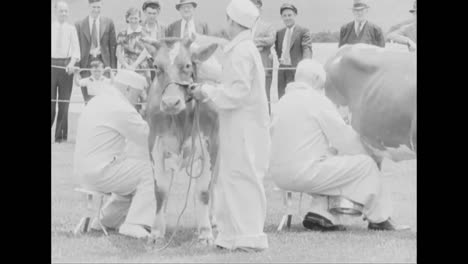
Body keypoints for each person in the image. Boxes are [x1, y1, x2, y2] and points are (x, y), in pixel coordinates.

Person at [269, 59, 410, 232]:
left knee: (334, 166)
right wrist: (369, 152)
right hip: (304, 172)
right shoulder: (316, 100)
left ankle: (321, 214)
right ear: (315, 79)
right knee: (366, 166)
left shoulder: (282, 102)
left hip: (278, 174)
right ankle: (380, 219)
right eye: (322, 84)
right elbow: (344, 139)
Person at [190, 0, 270, 251]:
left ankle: (249, 237)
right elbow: (230, 81)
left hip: (243, 126)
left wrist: (206, 91)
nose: (226, 25)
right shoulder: (242, 49)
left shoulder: (242, 51)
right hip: (239, 125)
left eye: (228, 20)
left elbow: (237, 92)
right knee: (231, 179)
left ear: (235, 22)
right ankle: (231, 235)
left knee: (242, 178)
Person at [74, 70, 156, 239]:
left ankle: (104, 221)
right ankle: (135, 224)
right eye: (138, 95)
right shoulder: (122, 106)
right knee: (148, 171)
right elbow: (147, 137)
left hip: (82, 172)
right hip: (99, 173)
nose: (138, 101)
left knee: (129, 176)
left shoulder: (98, 100)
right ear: (127, 89)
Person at [51, 1, 81, 143]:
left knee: (64, 103)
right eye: (61, 11)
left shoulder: (71, 29)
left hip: (66, 67)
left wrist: (71, 64)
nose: (63, 13)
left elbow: (76, 51)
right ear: (55, 11)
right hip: (52, 65)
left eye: (66, 11)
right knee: (51, 104)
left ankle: (60, 137)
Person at [274, 3, 312, 99]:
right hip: (282, 70)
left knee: (297, 98)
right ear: (281, 17)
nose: (287, 18)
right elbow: (277, 50)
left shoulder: (303, 31)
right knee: (282, 98)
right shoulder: (279, 33)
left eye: (290, 15)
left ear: (295, 15)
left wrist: (305, 66)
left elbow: (306, 48)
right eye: (284, 16)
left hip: (296, 70)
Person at [75, 0, 117, 81]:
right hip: (86, 63)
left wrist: (113, 68)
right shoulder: (79, 25)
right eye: (93, 7)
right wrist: (77, 69)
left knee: (103, 91)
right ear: (88, 6)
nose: (96, 10)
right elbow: (76, 48)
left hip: (103, 62)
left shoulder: (109, 22)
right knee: (87, 91)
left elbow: (113, 46)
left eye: (98, 7)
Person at [251, 0, 276, 113]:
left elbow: (271, 39)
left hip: (264, 68)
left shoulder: (267, 26)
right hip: (248, 69)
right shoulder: (245, 27)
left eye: (256, 7)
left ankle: (266, 123)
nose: (254, 10)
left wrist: (252, 42)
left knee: (264, 98)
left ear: (260, 9)